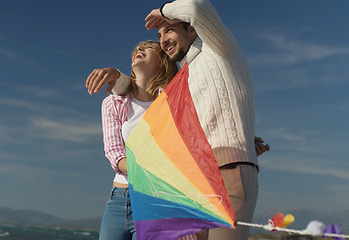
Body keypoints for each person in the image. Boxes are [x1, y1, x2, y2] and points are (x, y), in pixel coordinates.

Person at [87, 0, 270, 239]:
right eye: (159, 34)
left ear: (192, 29)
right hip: (178, 186)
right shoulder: (184, 80)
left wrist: (162, 12)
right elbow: (204, 119)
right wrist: (119, 78)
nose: (162, 39)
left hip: (206, 177)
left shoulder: (217, 50)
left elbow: (197, 8)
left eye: (169, 29)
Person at [94, 40, 200, 240]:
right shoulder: (113, 103)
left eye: (148, 47)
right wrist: (151, 169)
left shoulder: (174, 104)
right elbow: (115, 154)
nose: (139, 50)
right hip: (120, 198)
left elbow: (195, 141)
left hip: (157, 200)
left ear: (162, 61)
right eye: (136, 49)